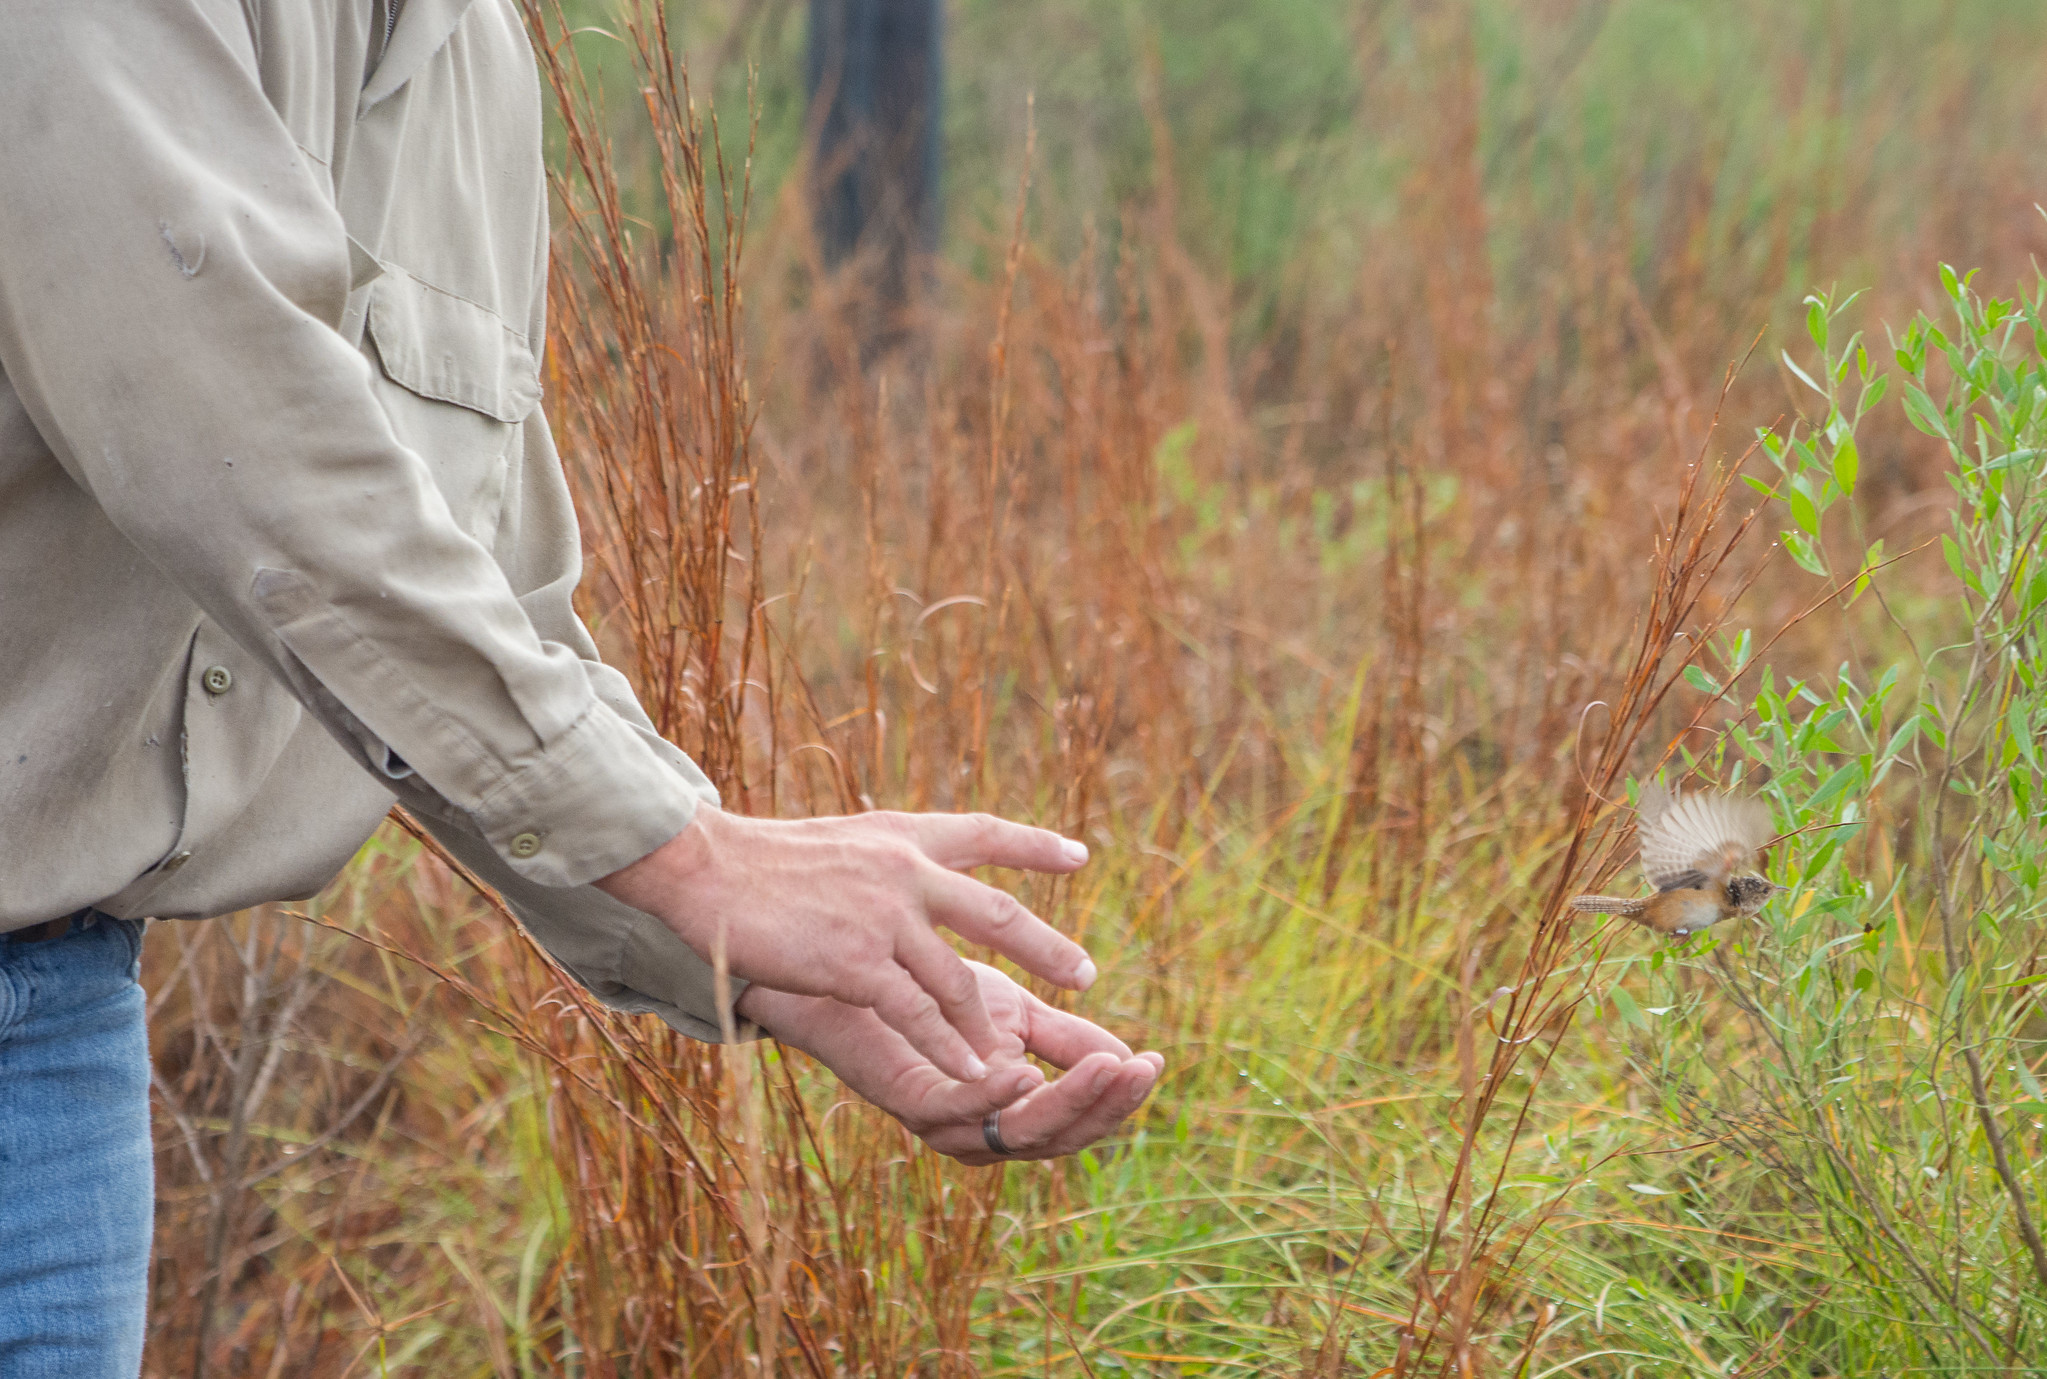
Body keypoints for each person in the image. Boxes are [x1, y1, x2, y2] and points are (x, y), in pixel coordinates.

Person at [0, 2, 1163, 1373]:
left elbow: (471, 598)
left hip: (56, 1016)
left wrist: (756, 954)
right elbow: (231, 424)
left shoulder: (475, 52)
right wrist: (687, 859)